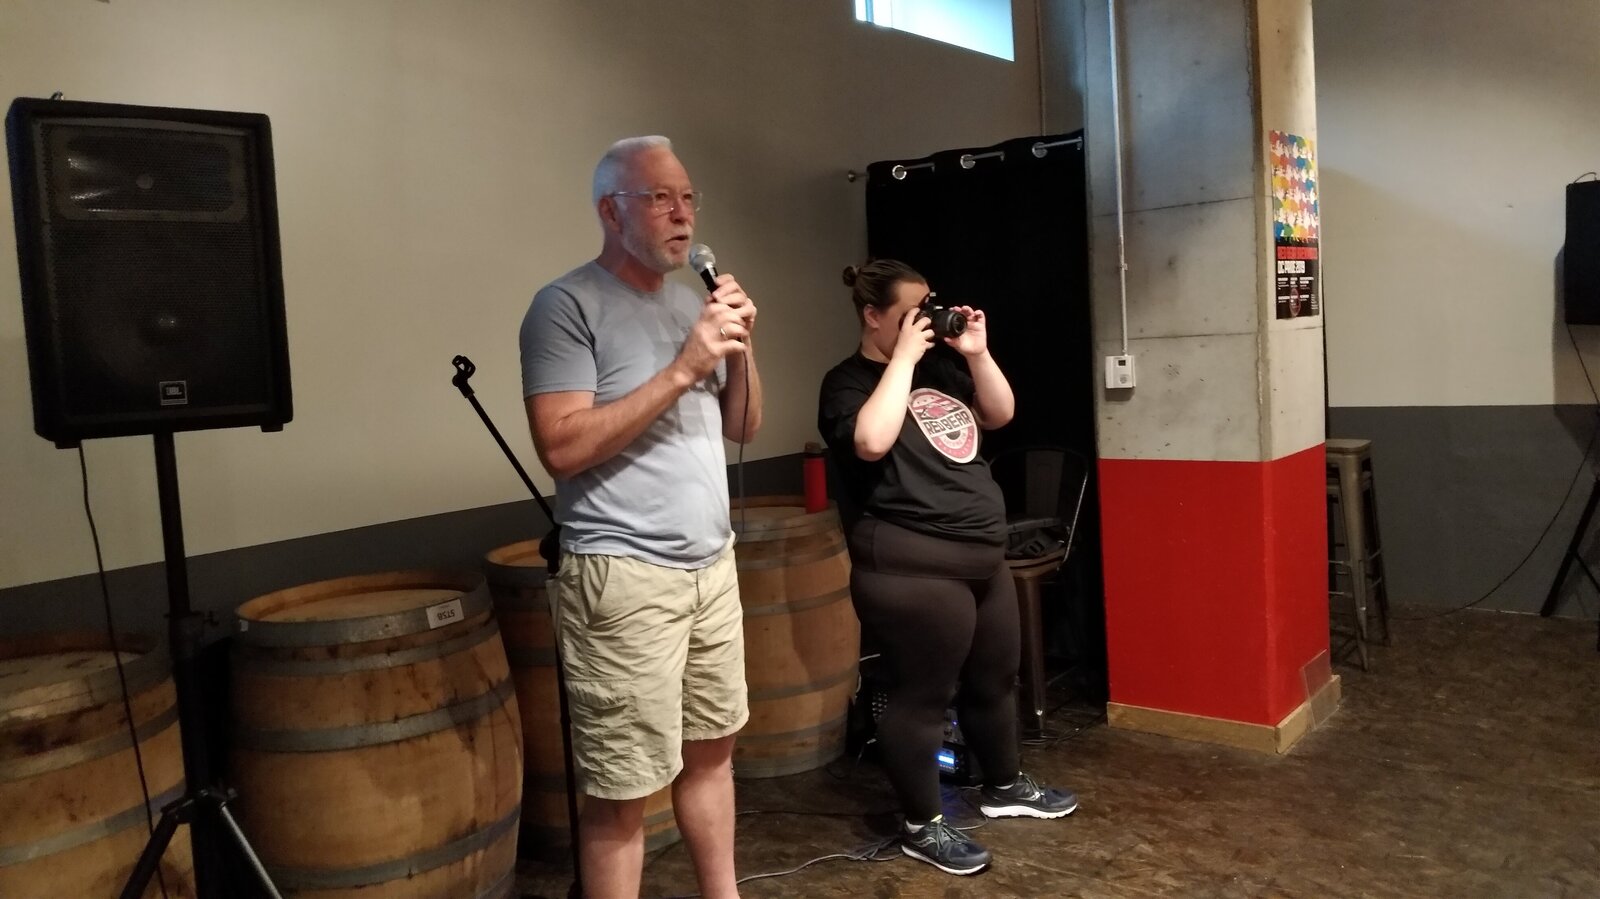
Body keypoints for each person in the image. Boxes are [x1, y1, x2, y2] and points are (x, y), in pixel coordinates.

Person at [520, 135, 762, 899]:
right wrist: (686, 366)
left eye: (688, 197)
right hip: (624, 579)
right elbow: (561, 446)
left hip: (710, 570)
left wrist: (741, 347)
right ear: (610, 211)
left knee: (713, 753)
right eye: (660, 197)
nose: (682, 213)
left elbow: (745, 426)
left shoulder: (692, 305)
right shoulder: (565, 306)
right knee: (622, 788)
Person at [816, 259, 1076, 876]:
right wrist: (902, 361)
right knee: (924, 696)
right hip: (911, 568)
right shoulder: (846, 383)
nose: (925, 322)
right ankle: (922, 824)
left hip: (982, 559)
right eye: (910, 314)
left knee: (996, 679)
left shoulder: (940, 369)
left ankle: (1004, 786)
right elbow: (870, 442)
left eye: (929, 306)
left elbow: (999, 413)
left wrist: (977, 354)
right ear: (873, 316)